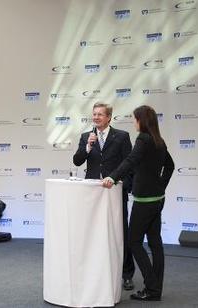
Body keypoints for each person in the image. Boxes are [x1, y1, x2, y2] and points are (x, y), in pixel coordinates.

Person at [102, 105, 174, 301]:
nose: (133, 122)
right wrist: (161, 185)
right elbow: (170, 166)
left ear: (141, 120)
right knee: (155, 243)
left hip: (144, 201)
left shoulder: (143, 139)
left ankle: (151, 287)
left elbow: (130, 161)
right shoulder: (159, 140)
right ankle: (156, 288)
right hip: (157, 199)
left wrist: (112, 178)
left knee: (134, 241)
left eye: (134, 119)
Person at [73, 102, 136, 290]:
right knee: (91, 231)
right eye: (94, 114)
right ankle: (93, 271)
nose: (96, 117)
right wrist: (88, 147)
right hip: (92, 191)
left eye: (100, 114)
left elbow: (129, 163)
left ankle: (126, 274)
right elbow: (77, 161)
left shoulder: (122, 136)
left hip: (115, 191)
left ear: (109, 117)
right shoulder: (86, 137)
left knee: (121, 231)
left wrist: (126, 187)